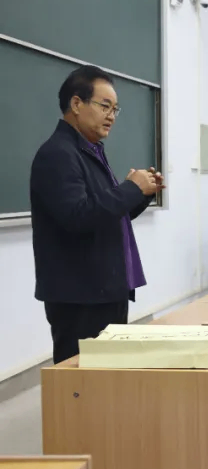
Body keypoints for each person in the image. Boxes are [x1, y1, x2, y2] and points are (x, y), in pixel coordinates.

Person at [31, 65, 164, 365]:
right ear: (77, 104)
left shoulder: (89, 151)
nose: (111, 116)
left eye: (115, 109)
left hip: (104, 289)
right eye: (105, 106)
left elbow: (106, 216)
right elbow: (78, 216)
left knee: (107, 381)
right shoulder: (58, 154)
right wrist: (130, 188)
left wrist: (142, 194)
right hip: (80, 297)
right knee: (82, 384)